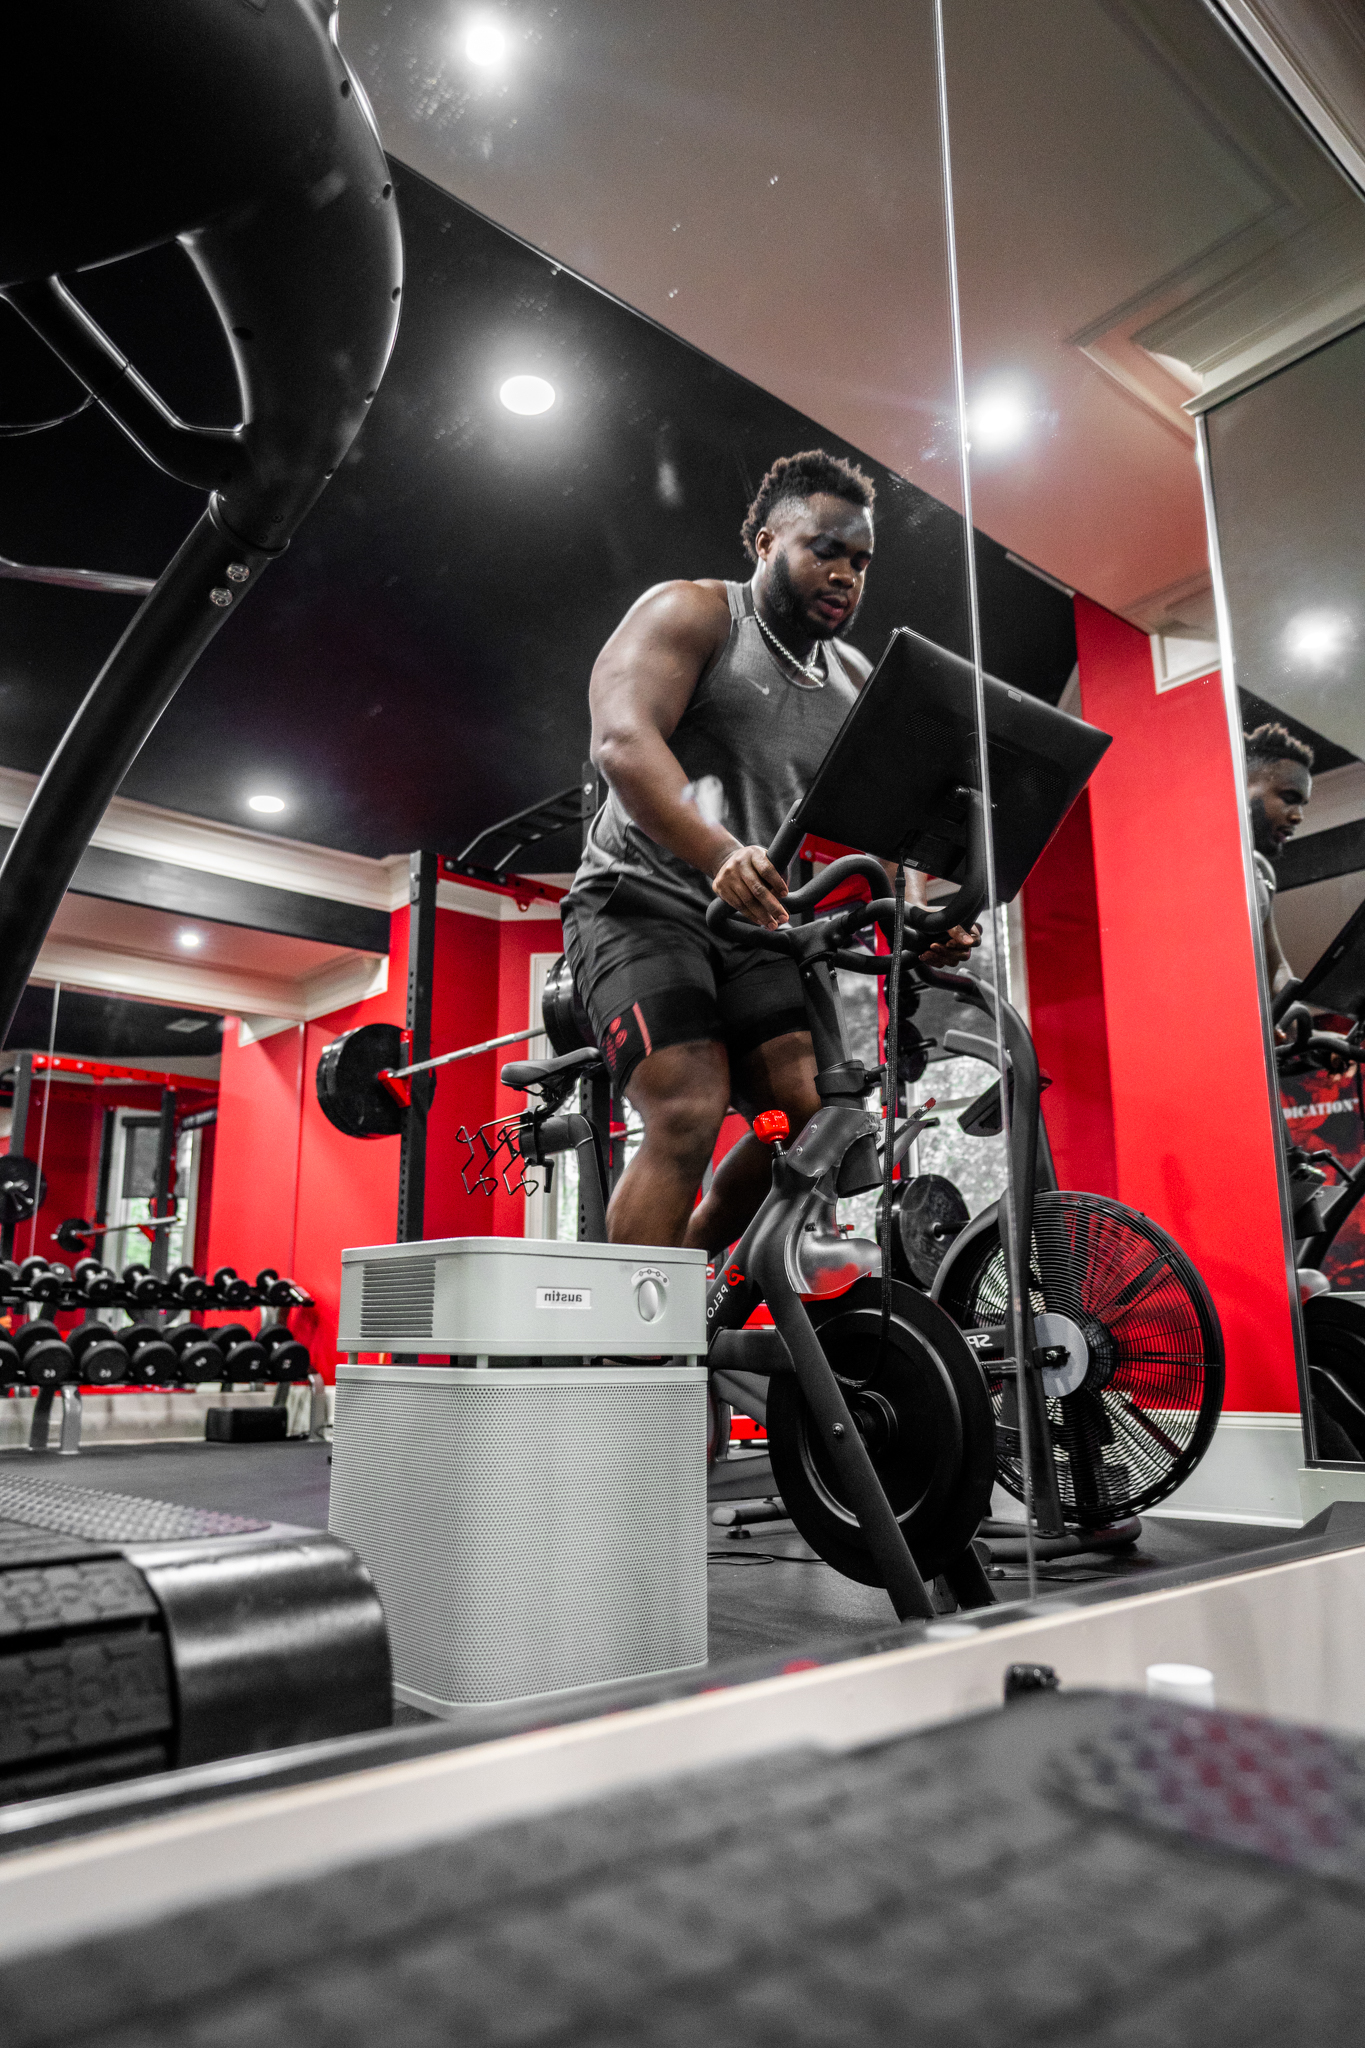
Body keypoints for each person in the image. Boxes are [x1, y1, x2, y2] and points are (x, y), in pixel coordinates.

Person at [560, 447, 979, 1252]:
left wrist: (917, 918)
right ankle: (635, 1323)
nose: (844, 575)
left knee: (809, 1116)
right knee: (687, 1107)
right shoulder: (692, 613)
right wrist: (720, 851)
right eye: (825, 551)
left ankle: (691, 1272)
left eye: (859, 561)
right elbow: (621, 740)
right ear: (764, 543)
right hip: (639, 902)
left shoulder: (853, 680)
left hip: (755, 924)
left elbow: (888, 830)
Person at [1245, 721, 1313, 995]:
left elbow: (1277, 969)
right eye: (1288, 797)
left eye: (1301, 804)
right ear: (1242, 784)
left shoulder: (1261, 872)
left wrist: (1294, 1008)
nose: (1298, 816)